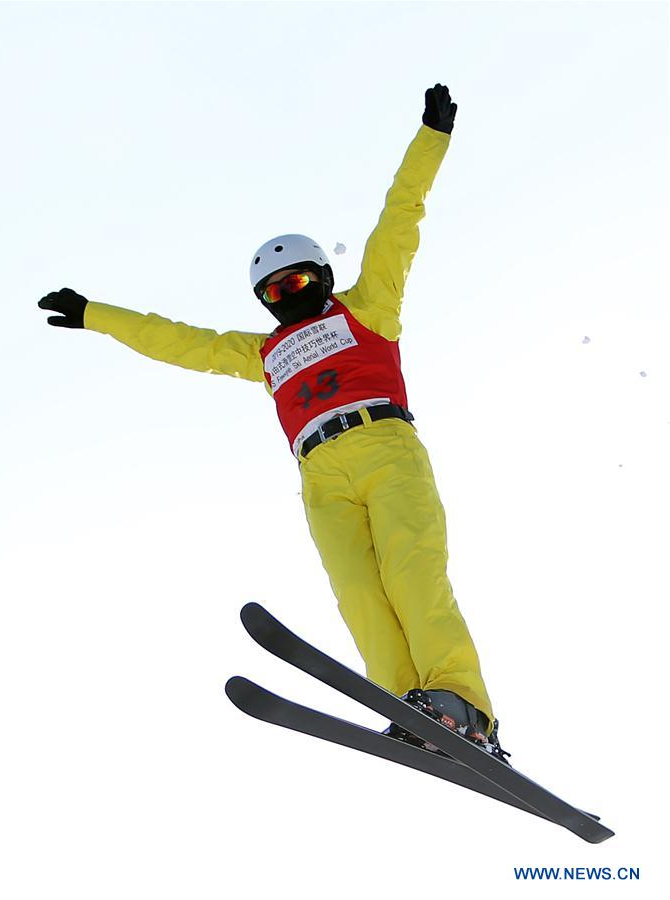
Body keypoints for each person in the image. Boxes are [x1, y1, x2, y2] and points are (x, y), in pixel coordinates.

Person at [38, 83, 508, 758]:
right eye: (271, 293)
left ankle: (462, 703)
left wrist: (432, 136)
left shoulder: (366, 306)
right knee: (357, 593)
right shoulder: (262, 353)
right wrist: (94, 315)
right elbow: (179, 341)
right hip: (319, 473)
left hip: (382, 445)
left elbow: (399, 218)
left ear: (321, 275)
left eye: (295, 283)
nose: (285, 299)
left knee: (413, 573)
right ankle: (413, 707)